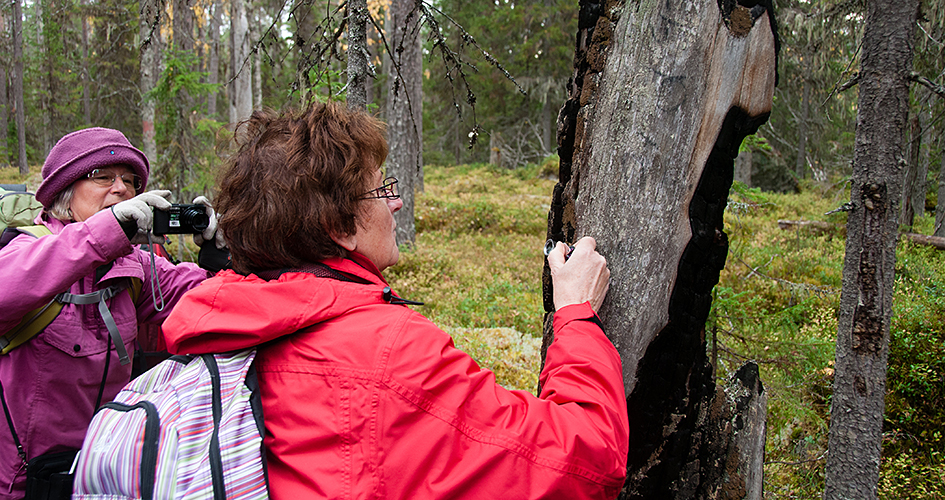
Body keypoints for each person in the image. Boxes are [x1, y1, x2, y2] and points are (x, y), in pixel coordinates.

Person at [162, 102, 629, 499]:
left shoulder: (218, 330)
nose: (396, 203)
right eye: (381, 190)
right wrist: (576, 316)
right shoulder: (388, 355)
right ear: (339, 228)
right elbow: (586, 461)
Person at [0, 127, 218, 499]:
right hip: (18, 482)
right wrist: (105, 232)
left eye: (130, 182)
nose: (122, 189)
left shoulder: (133, 266)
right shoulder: (28, 249)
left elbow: (212, 301)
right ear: (64, 195)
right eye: (103, 177)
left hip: (101, 475)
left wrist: (225, 257)